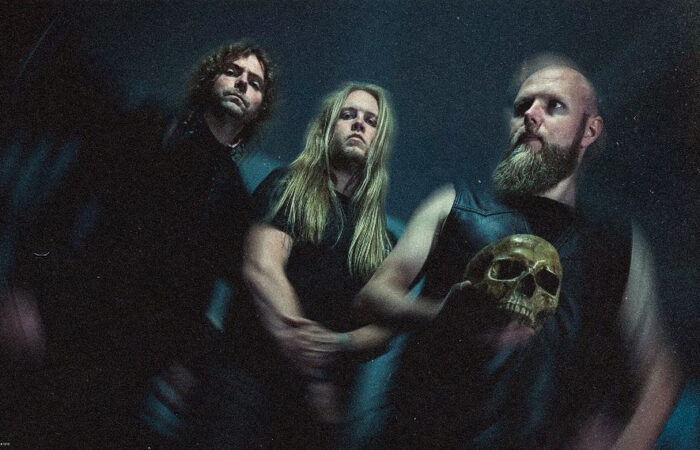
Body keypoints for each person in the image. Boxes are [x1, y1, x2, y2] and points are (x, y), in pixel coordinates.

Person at [356, 55, 682, 448]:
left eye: (554, 106)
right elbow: (374, 295)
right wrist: (439, 313)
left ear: (589, 130)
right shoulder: (454, 205)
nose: (530, 115)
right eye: (522, 105)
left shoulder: (617, 244)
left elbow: (660, 374)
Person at [118, 40, 276, 445]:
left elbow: (207, 286)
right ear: (211, 79)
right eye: (233, 72)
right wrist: (27, 285)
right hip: (82, 311)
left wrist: (185, 360)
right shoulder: (157, 129)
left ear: (260, 106)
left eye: (255, 82)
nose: (242, 84)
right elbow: (80, 197)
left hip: (143, 352)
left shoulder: (236, 195)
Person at [242, 82, 397, 448]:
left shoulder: (381, 238)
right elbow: (262, 268)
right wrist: (315, 377)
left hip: (315, 418)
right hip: (250, 383)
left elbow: (385, 325)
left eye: (371, 120)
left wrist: (340, 343)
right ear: (328, 127)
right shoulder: (288, 186)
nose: (359, 124)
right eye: (349, 115)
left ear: (380, 140)